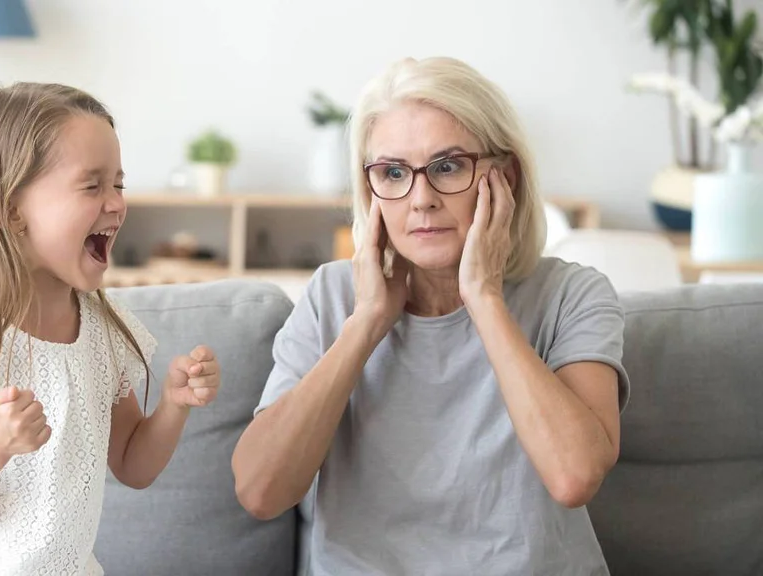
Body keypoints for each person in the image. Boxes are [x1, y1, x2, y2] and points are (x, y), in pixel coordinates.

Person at [232, 57, 629, 575]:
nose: (421, 200)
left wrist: (483, 298)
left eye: (447, 166)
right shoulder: (333, 296)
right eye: (393, 173)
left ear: (505, 177)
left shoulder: (572, 295)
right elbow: (260, 492)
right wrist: (367, 322)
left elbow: (574, 477)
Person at [0, 83, 221, 575]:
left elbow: (133, 465)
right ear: (9, 210)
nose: (116, 204)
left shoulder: (103, 331)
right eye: (92, 186)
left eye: (118, 185)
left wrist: (173, 406)